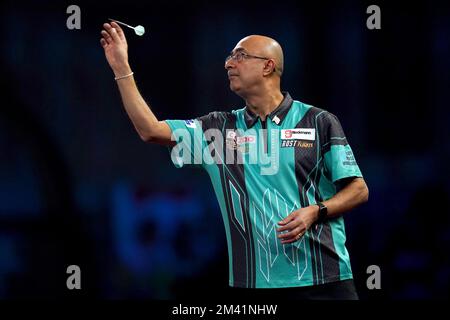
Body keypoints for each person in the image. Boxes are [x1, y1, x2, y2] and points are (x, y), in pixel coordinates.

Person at [100, 21, 369, 300]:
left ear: (267, 66)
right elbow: (150, 130)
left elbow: (359, 190)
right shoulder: (217, 129)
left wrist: (317, 211)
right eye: (229, 57)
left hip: (326, 283)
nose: (229, 63)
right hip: (254, 287)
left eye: (240, 56)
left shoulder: (319, 122)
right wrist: (121, 68)